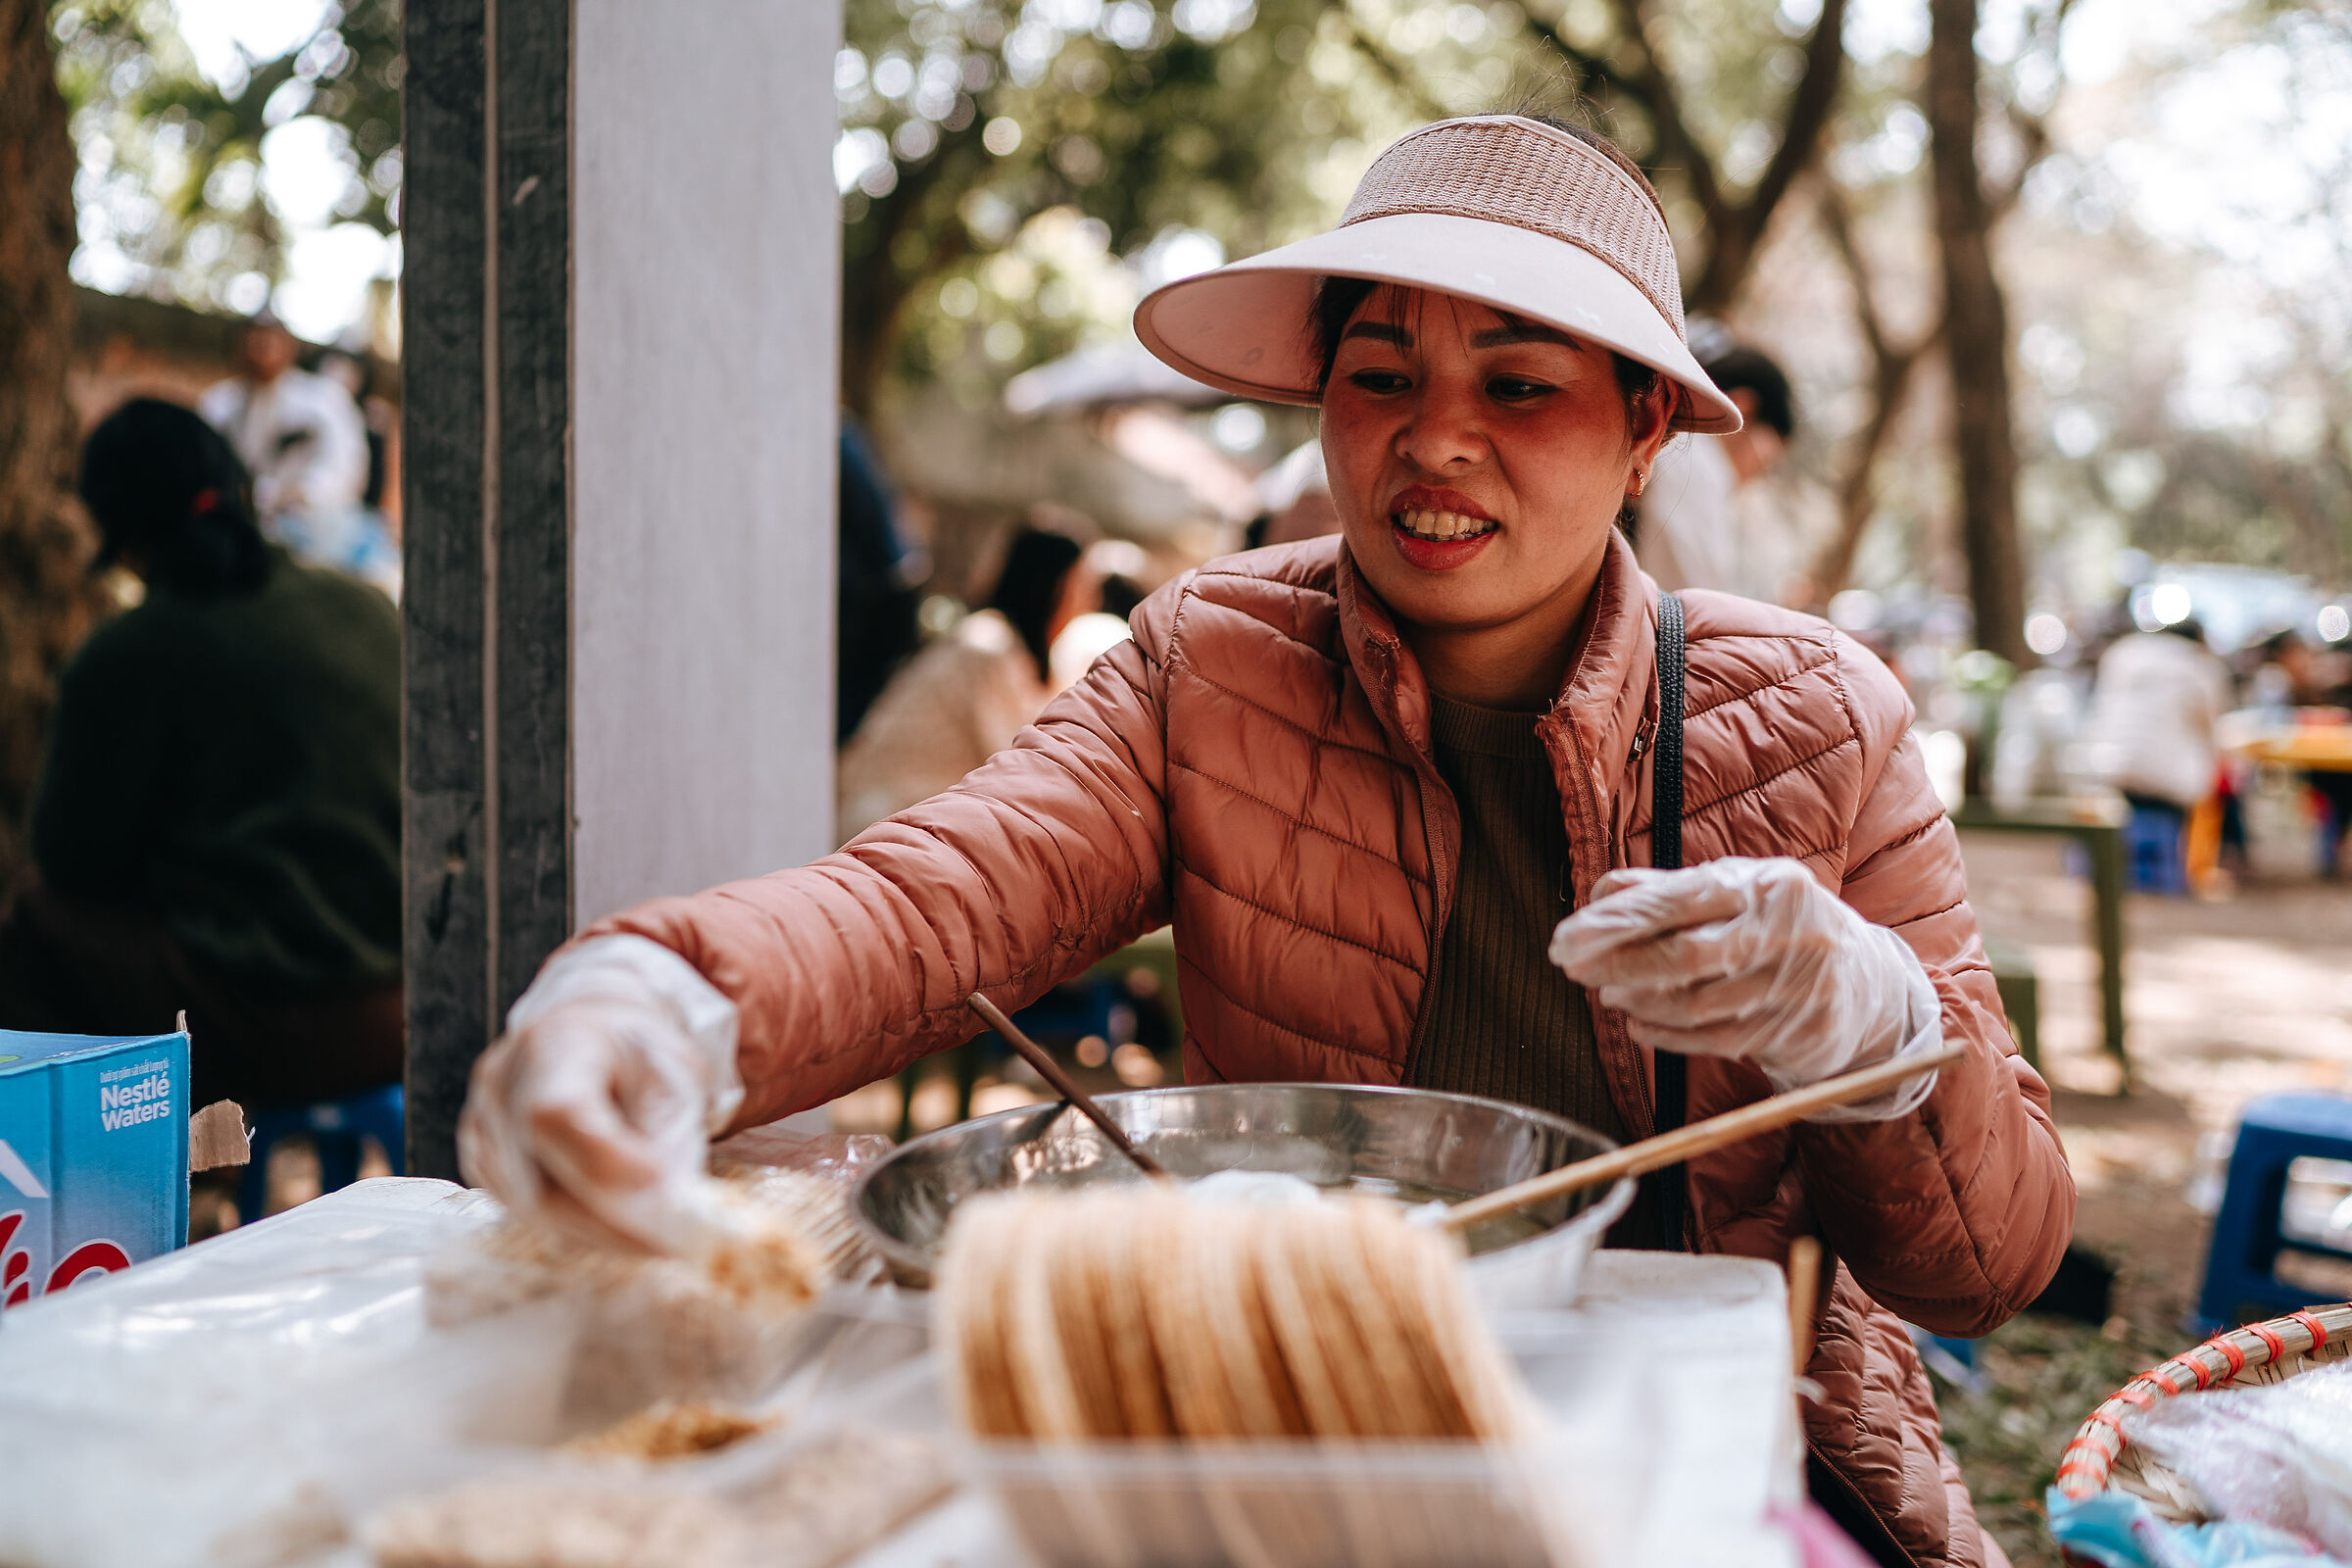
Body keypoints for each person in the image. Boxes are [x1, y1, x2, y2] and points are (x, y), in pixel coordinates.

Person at [462, 115, 2068, 1567]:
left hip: (1704, 1458)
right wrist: (663, 1000)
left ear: (1647, 427)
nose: (1437, 440)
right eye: (1382, 374)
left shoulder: (1818, 714)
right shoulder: (1208, 660)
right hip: (1292, 1444)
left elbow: (1983, 1266)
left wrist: (1884, 1031)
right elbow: (935, 902)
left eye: (1520, 383)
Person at [0, 400, 404, 1113]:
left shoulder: (131, 649)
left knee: (38, 917)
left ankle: (130, 1181)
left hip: (270, 1036)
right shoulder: (366, 607)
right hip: (402, 1012)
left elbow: (73, 863)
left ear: (119, 537)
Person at [832, 526, 1096, 844]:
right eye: (1080, 585)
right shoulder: (987, 647)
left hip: (919, 823)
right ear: (1051, 586)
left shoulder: (1013, 650)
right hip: (885, 821)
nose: (1088, 601)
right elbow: (1020, 761)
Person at [198, 314, 389, 591]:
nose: (261, 348)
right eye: (253, 338)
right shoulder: (219, 403)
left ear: (290, 346)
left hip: (318, 529)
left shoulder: (323, 399)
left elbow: (346, 470)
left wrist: (298, 496)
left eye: (270, 339)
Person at [1633, 339, 1795, 600]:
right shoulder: (1696, 462)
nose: (1759, 474)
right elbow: (1697, 595)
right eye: (1767, 460)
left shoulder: (1679, 450)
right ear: (1745, 407)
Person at [2082, 616, 2230, 891]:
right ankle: (2163, 882)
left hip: (2109, 761)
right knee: (2162, 832)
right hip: (2168, 775)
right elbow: (2210, 723)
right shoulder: (2200, 667)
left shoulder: (2124, 652)